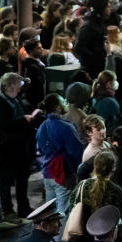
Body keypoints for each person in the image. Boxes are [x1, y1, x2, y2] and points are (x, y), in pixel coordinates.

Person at [0, 72, 35, 221]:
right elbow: (1, 125)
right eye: (18, 84)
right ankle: (8, 212)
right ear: (9, 85)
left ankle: (24, 207)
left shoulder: (15, 99)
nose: (20, 87)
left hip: (20, 148)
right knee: (5, 182)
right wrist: (23, 120)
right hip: (7, 149)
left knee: (22, 179)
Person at [72, 150, 122, 242]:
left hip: (84, 240)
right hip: (108, 240)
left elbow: (73, 207)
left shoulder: (82, 186)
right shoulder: (115, 190)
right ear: (113, 168)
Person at [35, 93, 84, 221]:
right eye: (63, 102)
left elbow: (38, 151)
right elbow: (77, 152)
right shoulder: (66, 127)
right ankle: (61, 239)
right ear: (57, 107)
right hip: (64, 174)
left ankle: (50, 238)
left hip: (47, 173)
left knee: (50, 210)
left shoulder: (42, 127)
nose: (66, 104)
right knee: (63, 211)